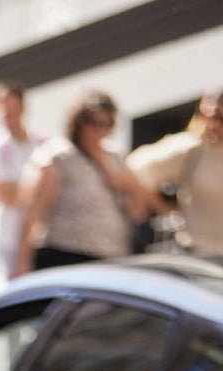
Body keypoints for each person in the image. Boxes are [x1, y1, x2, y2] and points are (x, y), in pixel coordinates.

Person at [15, 90, 159, 273]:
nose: (100, 130)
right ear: (79, 122)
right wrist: (21, 265)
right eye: (94, 123)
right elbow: (32, 214)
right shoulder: (57, 157)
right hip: (65, 258)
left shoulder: (115, 158)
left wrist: (130, 186)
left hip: (112, 258)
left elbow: (138, 213)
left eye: (107, 124)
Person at [127, 89, 223, 254]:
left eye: (220, 118)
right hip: (197, 254)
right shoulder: (190, 149)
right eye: (205, 117)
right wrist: (163, 206)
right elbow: (135, 168)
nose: (212, 124)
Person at [0, 79, 42, 291]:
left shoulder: (41, 143)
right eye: (2, 109)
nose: (8, 115)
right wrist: (40, 192)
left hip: (37, 239)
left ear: (22, 106)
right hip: (4, 241)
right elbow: (4, 193)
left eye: (12, 108)